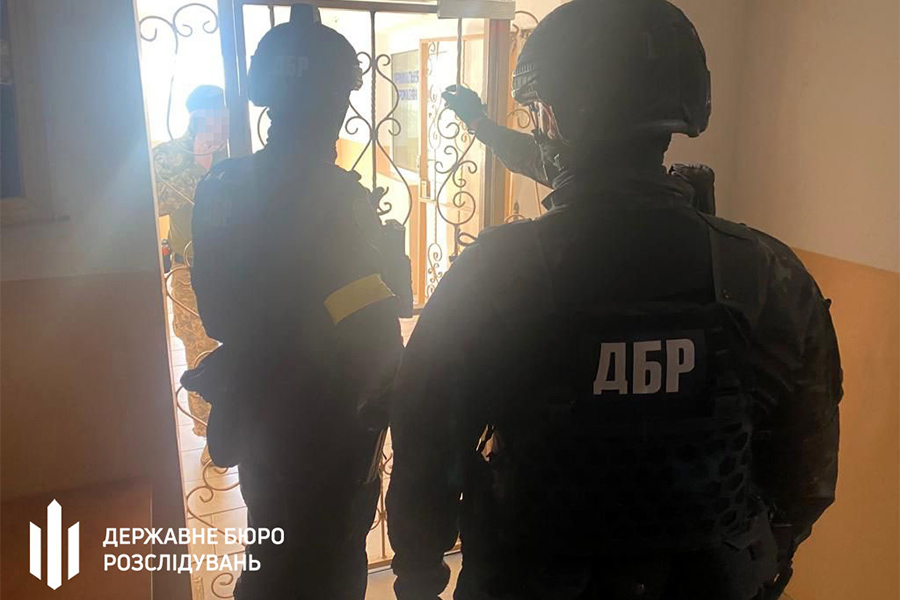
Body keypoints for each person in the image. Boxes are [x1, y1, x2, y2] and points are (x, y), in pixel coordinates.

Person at [386, 1, 842, 599]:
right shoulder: (767, 273)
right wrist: (758, 556)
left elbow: (425, 448)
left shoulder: (495, 275)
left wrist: (419, 574)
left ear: (552, 114)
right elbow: (807, 469)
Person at [181, 4, 406, 599]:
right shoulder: (344, 201)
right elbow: (376, 329)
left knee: (271, 545)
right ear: (337, 106)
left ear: (267, 103)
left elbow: (217, 313)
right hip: (333, 417)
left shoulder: (222, 187)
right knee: (330, 559)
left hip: (259, 409)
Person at [443, 85, 718, 215]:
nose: (542, 122)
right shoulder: (732, 249)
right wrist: (480, 124)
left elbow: (534, 158)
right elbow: (532, 157)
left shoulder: (519, 257)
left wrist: (478, 122)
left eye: (540, 108)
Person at [152, 84, 229, 439]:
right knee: (200, 352)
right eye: (212, 115)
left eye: (223, 114)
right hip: (189, 270)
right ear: (195, 117)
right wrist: (197, 166)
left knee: (247, 346)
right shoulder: (169, 155)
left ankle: (241, 433)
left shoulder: (239, 151)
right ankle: (210, 439)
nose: (219, 122)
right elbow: (154, 202)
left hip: (236, 268)